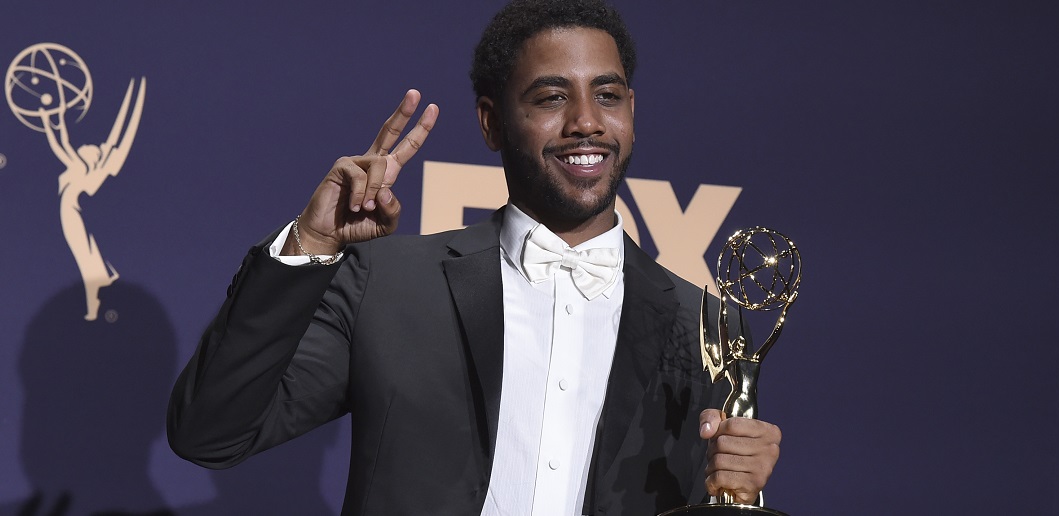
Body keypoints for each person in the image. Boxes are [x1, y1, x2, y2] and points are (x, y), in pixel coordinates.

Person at [166, 1, 781, 514]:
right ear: (491, 123)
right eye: (551, 98)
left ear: (632, 113)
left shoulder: (703, 325)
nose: (586, 122)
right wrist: (312, 242)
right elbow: (211, 434)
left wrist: (740, 494)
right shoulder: (387, 284)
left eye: (607, 95)